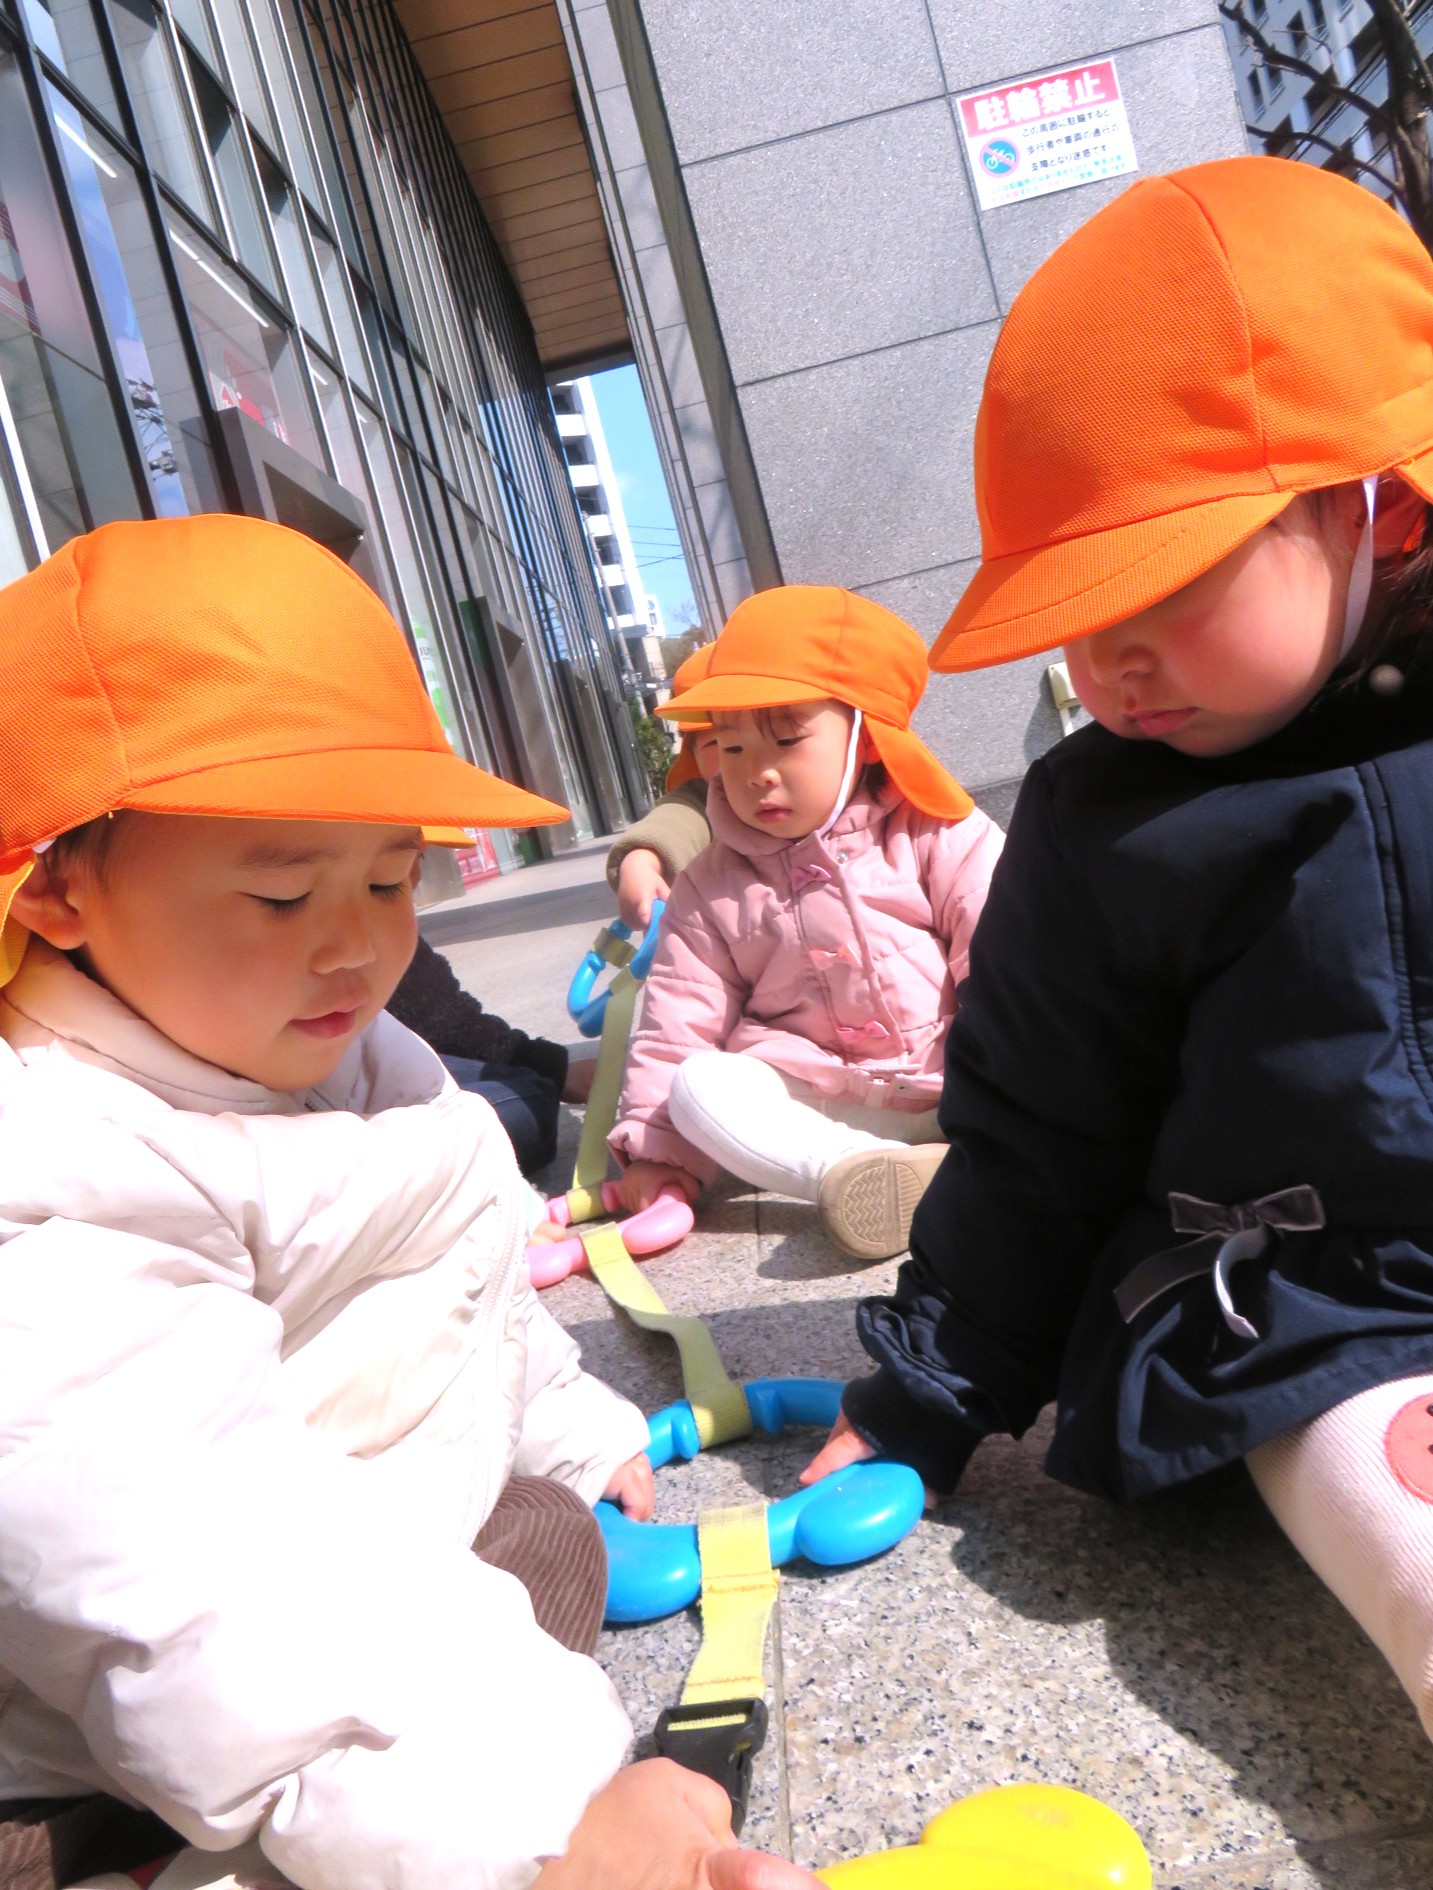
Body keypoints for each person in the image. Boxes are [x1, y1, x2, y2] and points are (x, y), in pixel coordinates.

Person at [0, 514, 819, 1890]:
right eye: (280, 895)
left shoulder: (359, 1052)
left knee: (545, 1532)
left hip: (346, 1553)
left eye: (392, 879)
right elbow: (185, 1550)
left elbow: (467, 1274)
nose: (357, 944)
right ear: (60, 889)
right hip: (88, 1674)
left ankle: (287, 1809)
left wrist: (570, 1421)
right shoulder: (53, 1170)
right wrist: (551, 1829)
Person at [803, 154, 1433, 1747]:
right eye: (1073, 612)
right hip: (1314, 1306)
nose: (1110, 658)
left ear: (1381, 509)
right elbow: (1041, 1131)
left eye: (1160, 582)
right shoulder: (1110, 825)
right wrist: (927, 1390)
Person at [609, 587, 1004, 1261]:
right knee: (699, 1085)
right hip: (823, 1105)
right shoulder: (708, 886)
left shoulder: (939, 835)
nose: (756, 774)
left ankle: (973, 1154)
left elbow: (1005, 969)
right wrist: (657, 1150)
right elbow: (676, 1022)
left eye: (787, 740)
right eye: (730, 748)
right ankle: (856, 1174)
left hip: (952, 1083)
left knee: (1020, 1037)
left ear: (865, 736)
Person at [607, 643, 719, 932]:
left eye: (784, 741)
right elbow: (674, 822)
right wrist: (641, 861)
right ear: (692, 753)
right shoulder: (704, 800)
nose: (754, 765)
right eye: (722, 744)